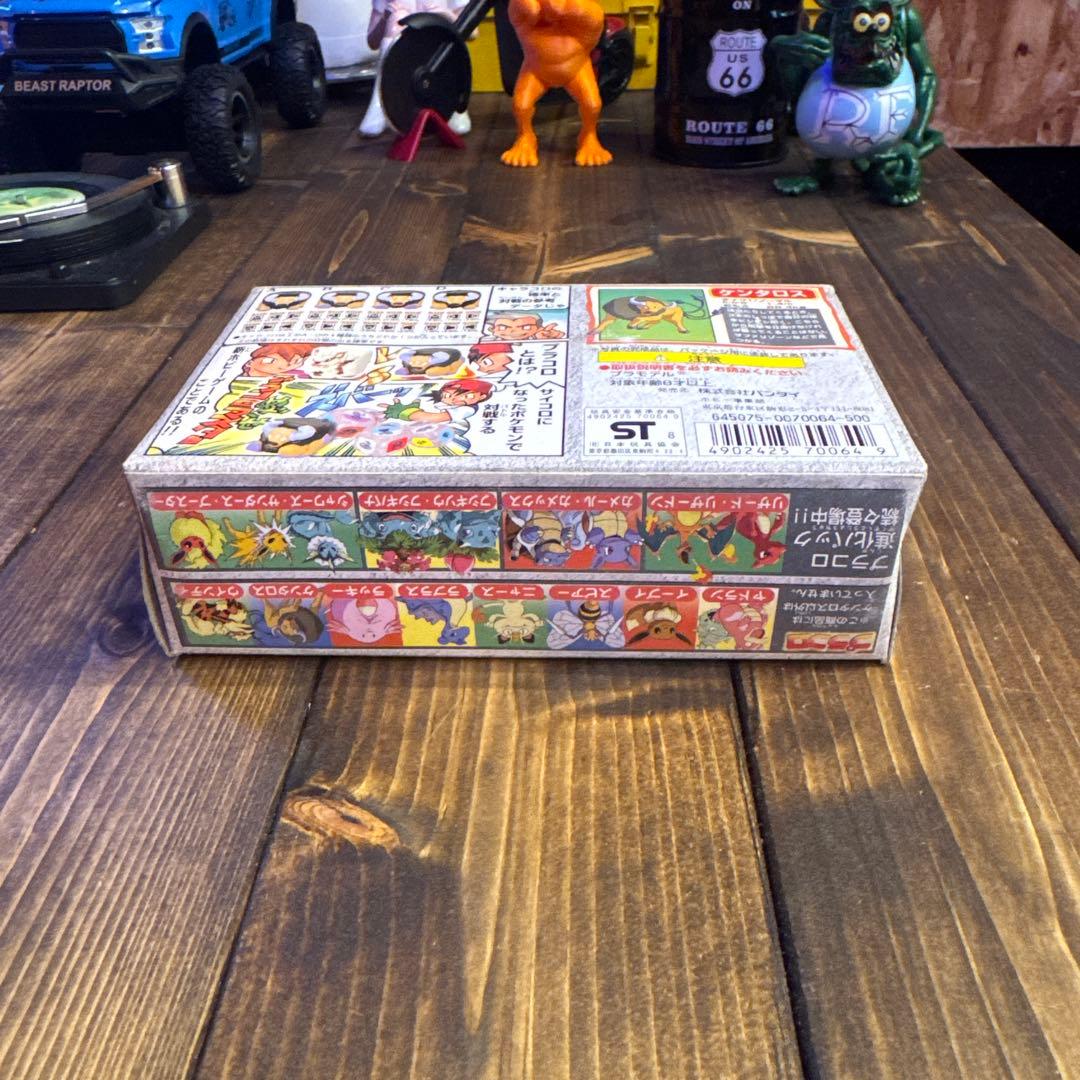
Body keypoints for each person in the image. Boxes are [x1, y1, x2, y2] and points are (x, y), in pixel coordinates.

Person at [359, 0, 472, 138]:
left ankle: (455, 106)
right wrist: (384, 18)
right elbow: (372, 42)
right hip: (405, 65)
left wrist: (446, 15)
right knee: (396, 20)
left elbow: (472, 32)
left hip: (440, 53)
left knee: (449, 36)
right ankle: (380, 104)